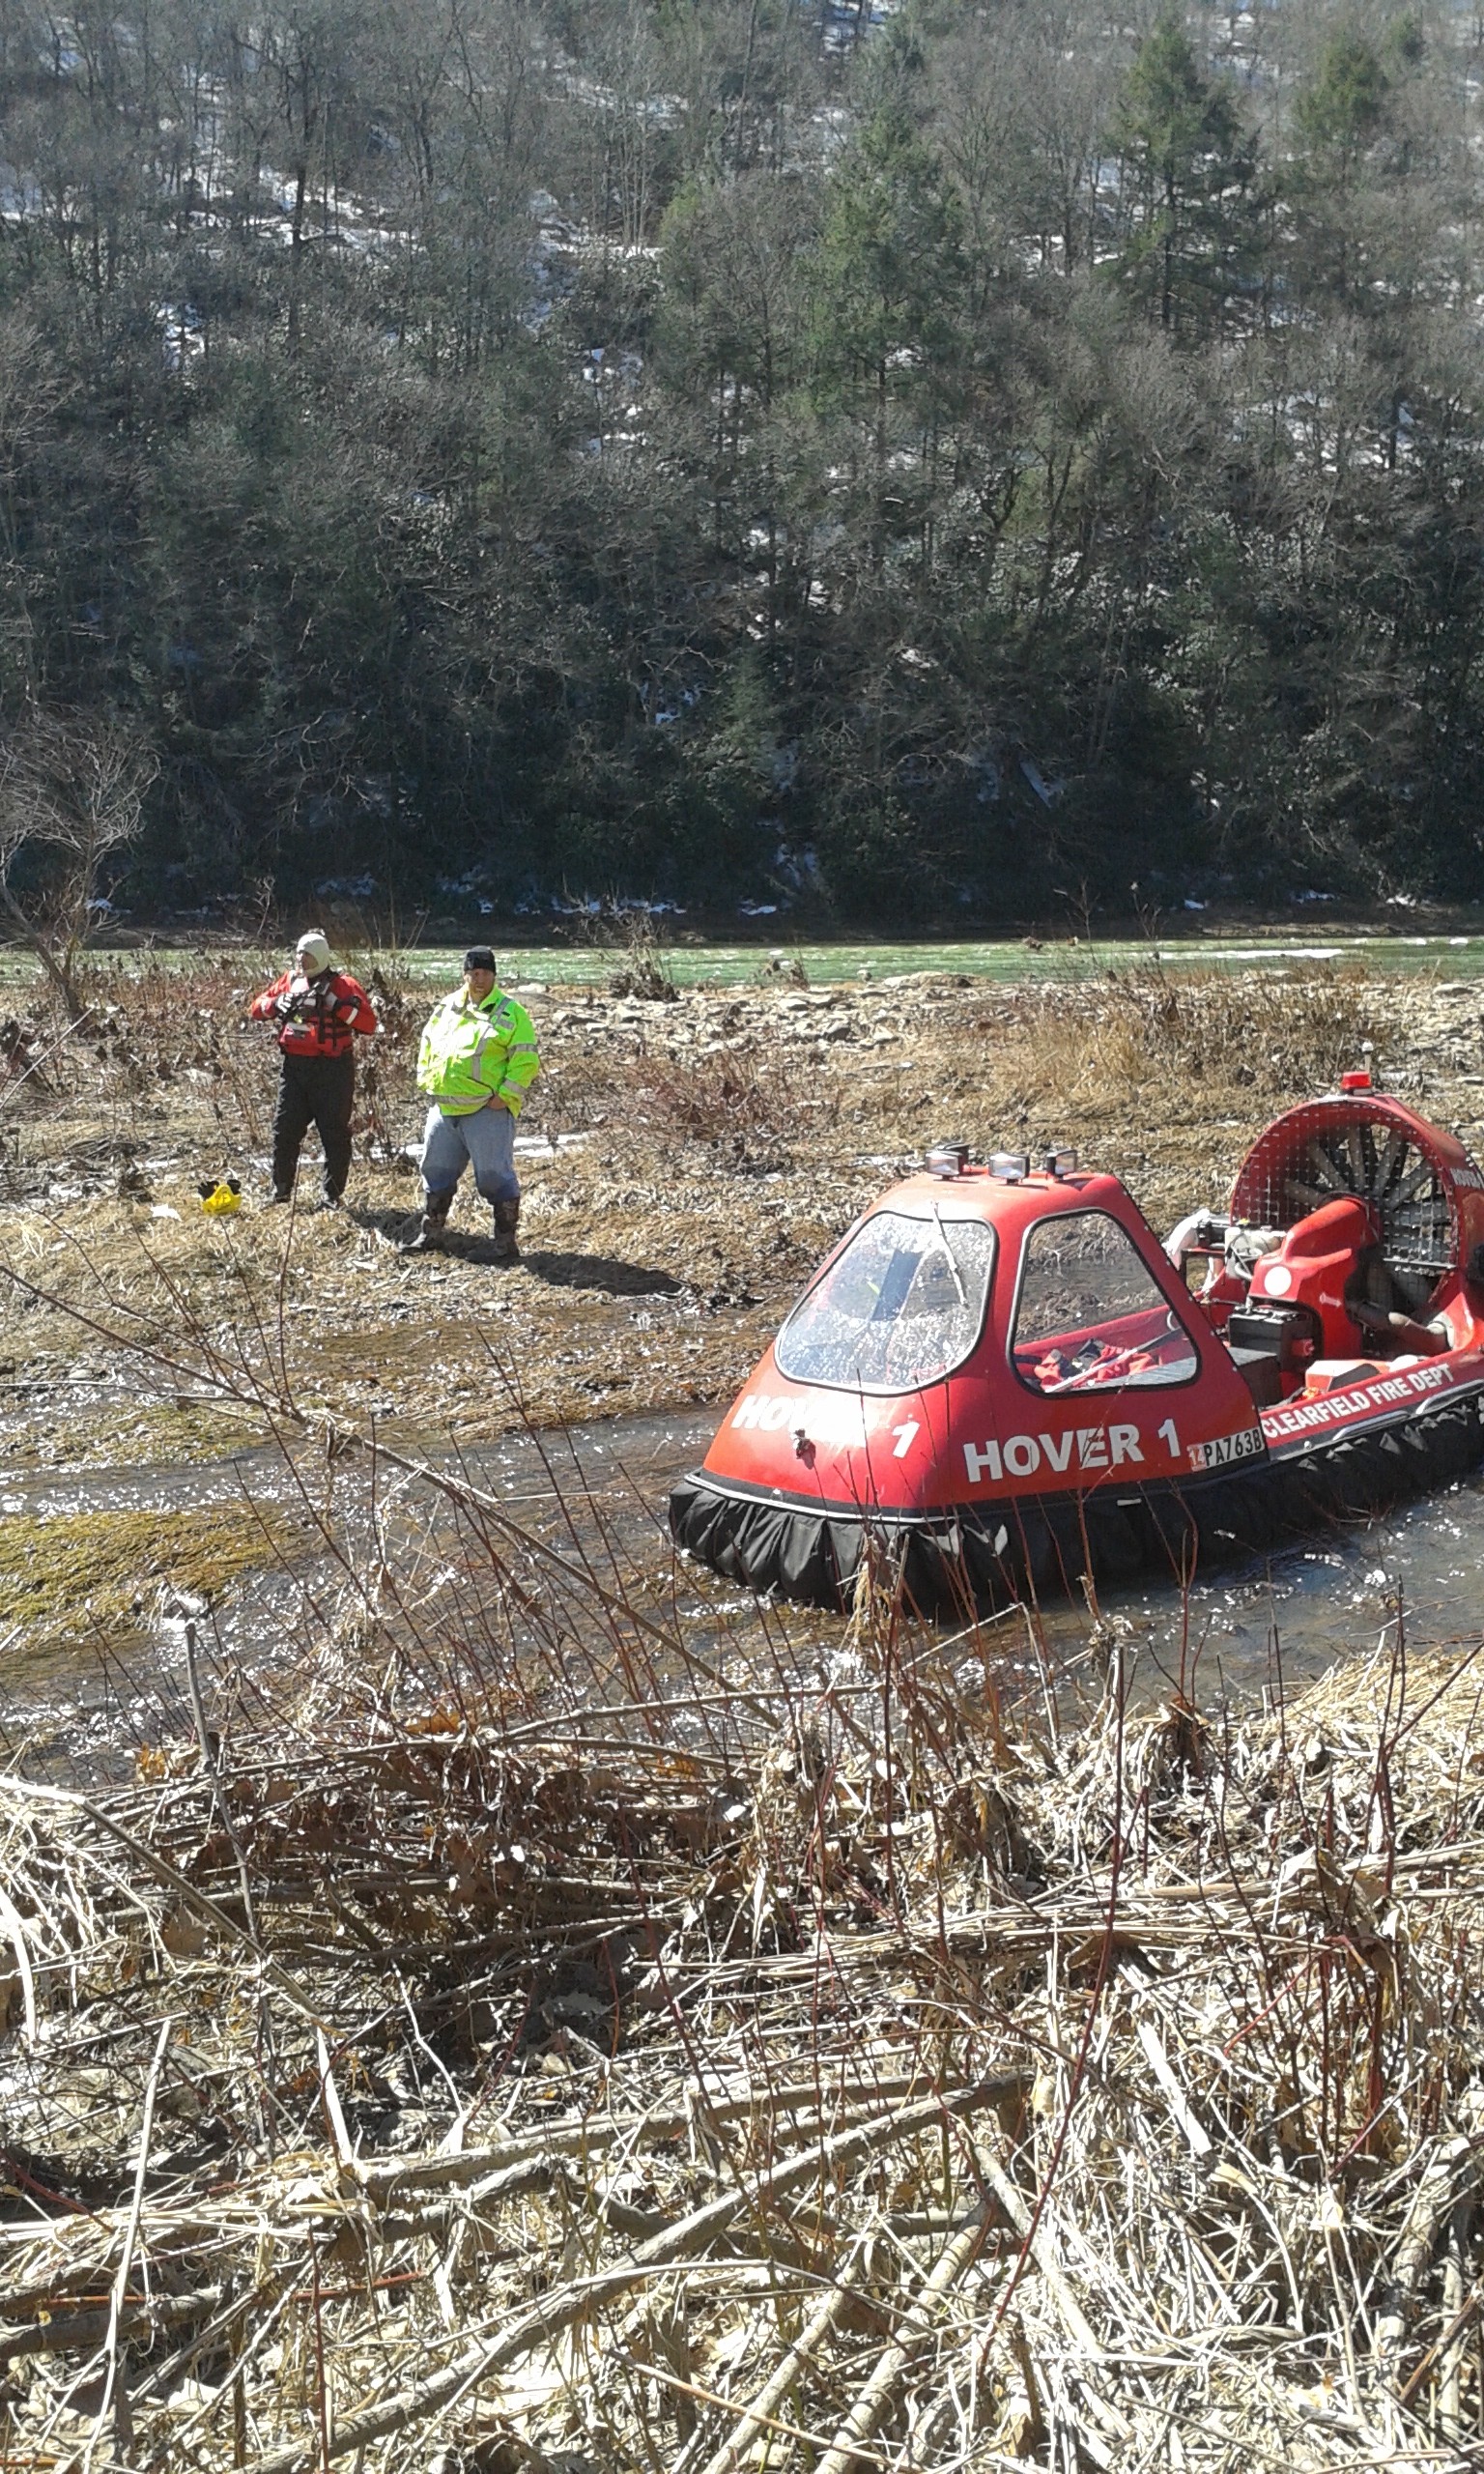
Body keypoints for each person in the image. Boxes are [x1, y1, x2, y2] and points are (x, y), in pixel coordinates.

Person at [407, 947, 540, 1258]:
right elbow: (427, 1044)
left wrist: (505, 1096)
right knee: (436, 1170)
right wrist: (426, 1080)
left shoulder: (511, 1012)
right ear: (465, 974)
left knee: (494, 1176)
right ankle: (432, 1234)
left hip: (485, 1110)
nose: (478, 979)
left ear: (494, 975)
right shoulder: (446, 1007)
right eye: (473, 973)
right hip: (444, 1108)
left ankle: (504, 1244)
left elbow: (526, 1059)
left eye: (484, 973)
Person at [247, 932, 378, 1206]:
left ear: (319, 956)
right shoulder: (289, 981)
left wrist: (338, 1007)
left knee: (334, 1133)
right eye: (298, 954)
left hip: (332, 1070)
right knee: (284, 1131)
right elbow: (255, 1009)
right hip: (294, 1069)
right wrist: (274, 1004)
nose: (300, 960)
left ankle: (332, 1197)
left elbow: (368, 1025)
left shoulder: (344, 985)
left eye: (306, 955)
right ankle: (281, 1192)